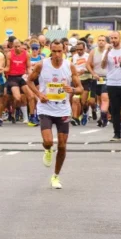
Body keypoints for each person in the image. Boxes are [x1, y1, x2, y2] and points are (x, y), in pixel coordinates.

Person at [27, 40, 83, 189]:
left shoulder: (69, 66)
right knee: (49, 142)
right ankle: (47, 149)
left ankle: (56, 176)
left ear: (64, 50)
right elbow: (29, 81)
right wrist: (39, 94)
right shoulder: (42, 64)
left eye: (60, 51)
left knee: (63, 146)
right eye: (54, 51)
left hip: (63, 109)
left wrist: (72, 89)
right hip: (46, 108)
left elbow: (80, 88)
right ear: (50, 50)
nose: (57, 54)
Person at [101, 32, 121, 141]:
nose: (113, 40)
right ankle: (117, 133)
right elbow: (103, 65)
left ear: (120, 38)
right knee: (115, 109)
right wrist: (106, 52)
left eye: (115, 38)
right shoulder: (107, 51)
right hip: (112, 83)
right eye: (111, 38)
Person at [87, 35, 109, 127]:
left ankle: (103, 117)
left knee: (104, 97)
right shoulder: (93, 51)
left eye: (103, 40)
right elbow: (87, 64)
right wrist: (93, 73)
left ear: (105, 42)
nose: (101, 42)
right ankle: (102, 115)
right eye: (99, 40)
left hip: (107, 77)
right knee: (97, 99)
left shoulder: (109, 51)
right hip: (97, 77)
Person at [71, 42, 92, 126]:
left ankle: (85, 113)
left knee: (83, 102)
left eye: (81, 49)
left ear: (85, 49)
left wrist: (85, 71)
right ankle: (75, 118)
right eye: (77, 49)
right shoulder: (74, 57)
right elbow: (72, 67)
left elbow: (92, 68)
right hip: (77, 81)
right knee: (75, 99)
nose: (79, 51)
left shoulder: (88, 56)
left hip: (86, 80)